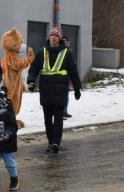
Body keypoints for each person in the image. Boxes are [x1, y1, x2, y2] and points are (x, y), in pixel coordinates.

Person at [27, 25, 82, 153]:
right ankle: (50, 141)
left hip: (60, 90)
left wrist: (77, 88)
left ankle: (56, 142)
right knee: (47, 119)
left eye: (56, 36)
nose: (53, 37)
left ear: (60, 38)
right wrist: (30, 81)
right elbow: (34, 68)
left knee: (58, 118)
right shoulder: (43, 52)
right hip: (45, 90)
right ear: (49, 37)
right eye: (52, 35)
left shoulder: (66, 53)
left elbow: (73, 71)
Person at [0, 27, 34, 130]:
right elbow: (17, 65)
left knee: (15, 101)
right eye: (20, 42)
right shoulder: (11, 54)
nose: (22, 44)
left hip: (15, 83)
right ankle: (9, 121)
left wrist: (22, 85)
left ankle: (12, 118)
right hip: (11, 84)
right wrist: (29, 59)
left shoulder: (13, 53)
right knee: (11, 101)